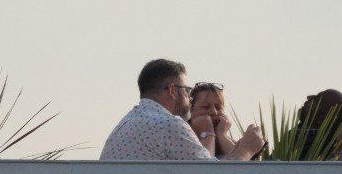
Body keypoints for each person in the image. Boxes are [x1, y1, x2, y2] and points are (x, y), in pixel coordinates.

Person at [102, 60, 263, 161]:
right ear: (172, 90)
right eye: (187, 90)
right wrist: (246, 149)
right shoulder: (168, 124)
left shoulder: (127, 122)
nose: (190, 98)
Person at [189, 81, 253, 160]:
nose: (214, 112)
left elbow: (240, 166)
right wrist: (207, 133)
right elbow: (204, 168)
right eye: (205, 107)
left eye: (218, 107)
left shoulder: (228, 140)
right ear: (190, 110)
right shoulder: (183, 137)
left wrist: (222, 135)